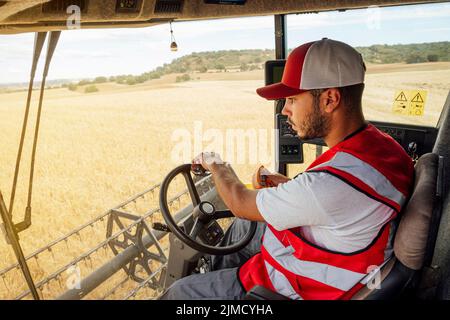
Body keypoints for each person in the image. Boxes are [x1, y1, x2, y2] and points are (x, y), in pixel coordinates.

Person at [160, 38, 414, 300]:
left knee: (179, 293)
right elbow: (333, 199)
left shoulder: (329, 185)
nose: (285, 110)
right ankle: (217, 279)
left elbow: (239, 201)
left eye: (292, 99)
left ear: (330, 99)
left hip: (286, 285)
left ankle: (227, 288)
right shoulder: (383, 148)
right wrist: (286, 185)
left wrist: (217, 163)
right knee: (244, 225)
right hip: (333, 252)